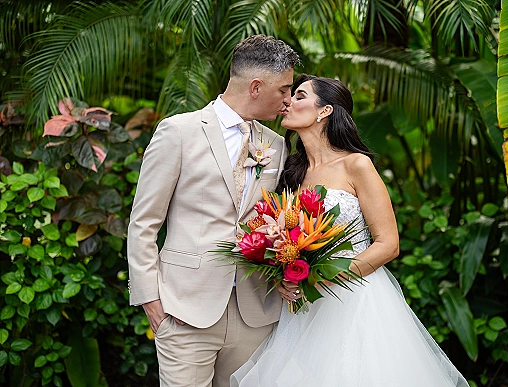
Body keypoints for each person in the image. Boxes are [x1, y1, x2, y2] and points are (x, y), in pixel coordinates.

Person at [230, 74, 470, 386]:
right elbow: (284, 238)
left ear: (324, 111)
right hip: (303, 308)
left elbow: (388, 244)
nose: (288, 101)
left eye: (300, 95)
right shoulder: (291, 171)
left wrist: (329, 276)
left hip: (354, 301)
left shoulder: (356, 165)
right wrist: (285, 280)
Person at [127, 35, 300, 387]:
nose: (287, 101)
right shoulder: (178, 131)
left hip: (255, 312)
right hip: (184, 309)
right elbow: (144, 222)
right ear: (255, 87)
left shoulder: (276, 145)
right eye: (284, 90)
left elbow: (275, 220)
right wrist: (150, 298)